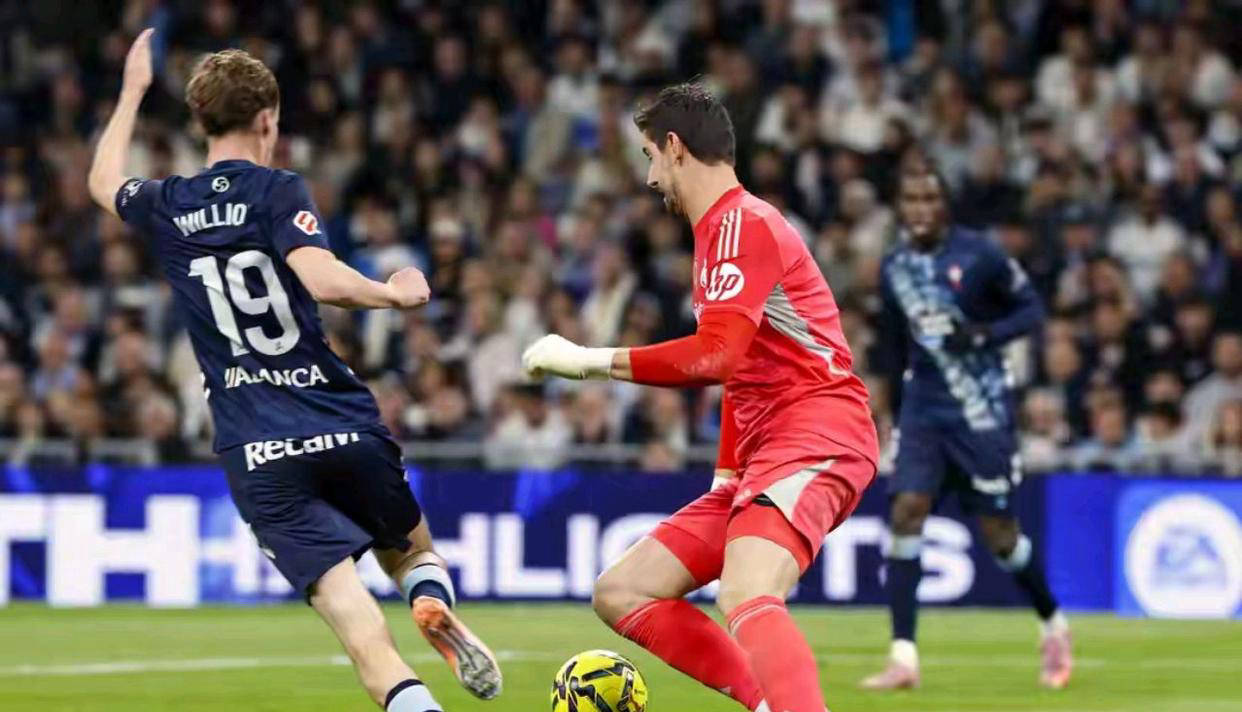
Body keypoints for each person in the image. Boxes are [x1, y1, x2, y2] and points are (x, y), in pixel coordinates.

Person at [87, 31, 501, 712]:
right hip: (338, 418)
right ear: (267, 120)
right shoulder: (279, 190)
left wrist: (132, 90)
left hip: (256, 446)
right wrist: (393, 293)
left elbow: (102, 182)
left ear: (200, 121)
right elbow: (322, 279)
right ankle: (428, 600)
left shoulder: (168, 203)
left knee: (360, 633)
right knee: (411, 553)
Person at [523, 82, 879, 712]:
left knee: (746, 592)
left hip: (817, 433)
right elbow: (746, 371)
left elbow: (717, 356)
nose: (649, 177)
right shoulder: (720, 232)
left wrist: (588, 362)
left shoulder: (742, 223)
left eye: (649, 157)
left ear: (675, 147)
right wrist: (727, 475)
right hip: (767, 449)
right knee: (622, 592)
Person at [861, 158, 1072, 691]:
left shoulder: (982, 254)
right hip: (923, 409)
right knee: (906, 511)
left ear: (945, 206)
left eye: (930, 199)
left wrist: (980, 335)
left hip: (982, 412)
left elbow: (1030, 310)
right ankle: (903, 657)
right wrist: (883, 405)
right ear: (900, 208)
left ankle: (1053, 622)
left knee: (1001, 537)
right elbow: (891, 343)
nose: (920, 209)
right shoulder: (895, 267)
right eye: (911, 200)